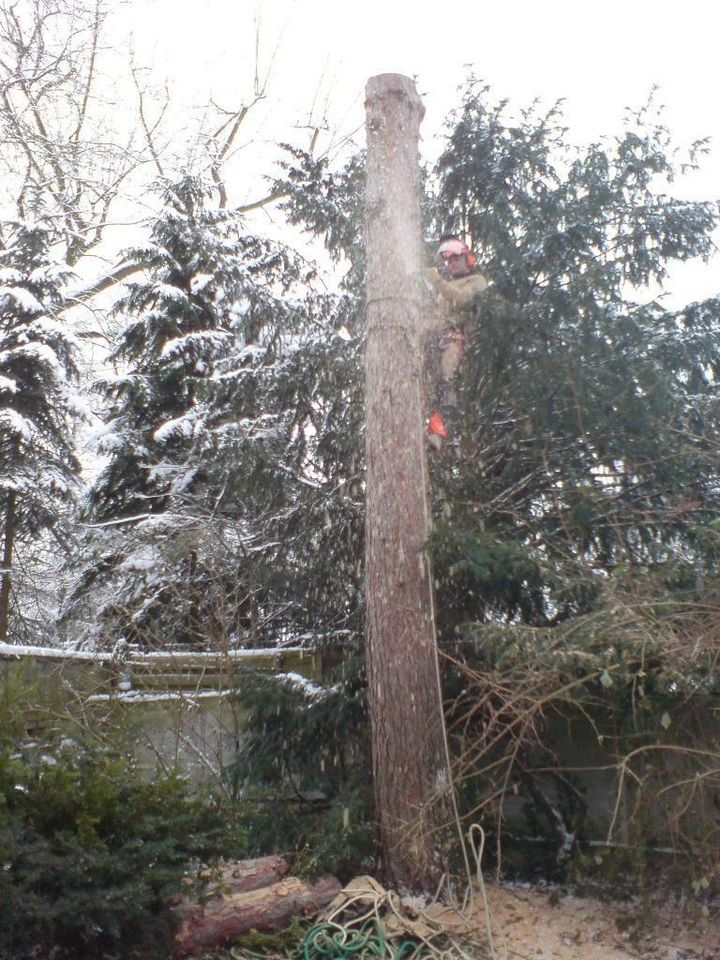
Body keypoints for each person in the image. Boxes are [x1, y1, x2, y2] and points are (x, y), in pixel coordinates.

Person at [424, 235, 488, 450]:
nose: (451, 264)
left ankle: (442, 428)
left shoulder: (476, 281)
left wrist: (438, 282)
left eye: (455, 260)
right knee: (429, 379)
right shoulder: (445, 290)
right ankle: (433, 425)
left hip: (459, 340)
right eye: (448, 262)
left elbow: (462, 299)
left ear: (467, 260)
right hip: (439, 339)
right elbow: (436, 317)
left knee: (447, 376)